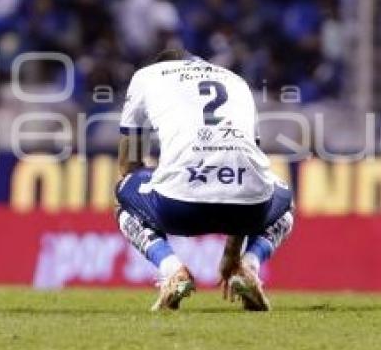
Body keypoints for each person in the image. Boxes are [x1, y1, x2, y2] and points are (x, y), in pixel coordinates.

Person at [115, 49, 294, 311]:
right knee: (282, 197)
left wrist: (156, 173)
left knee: (124, 191)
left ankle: (172, 270)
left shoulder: (147, 76)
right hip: (249, 211)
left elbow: (129, 162)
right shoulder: (236, 80)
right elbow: (244, 166)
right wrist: (232, 254)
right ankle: (248, 266)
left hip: (178, 208)